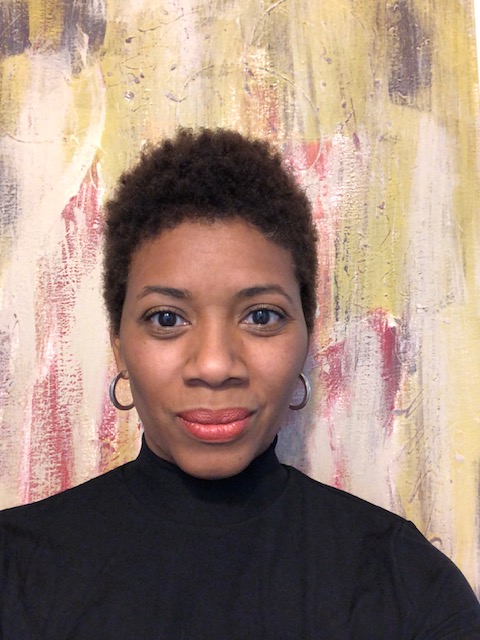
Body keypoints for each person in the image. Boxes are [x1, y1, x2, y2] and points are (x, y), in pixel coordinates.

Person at [0, 129, 478, 639]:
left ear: (306, 336)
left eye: (261, 316)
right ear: (119, 345)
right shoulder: (16, 573)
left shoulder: (407, 587)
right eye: (166, 318)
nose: (214, 365)